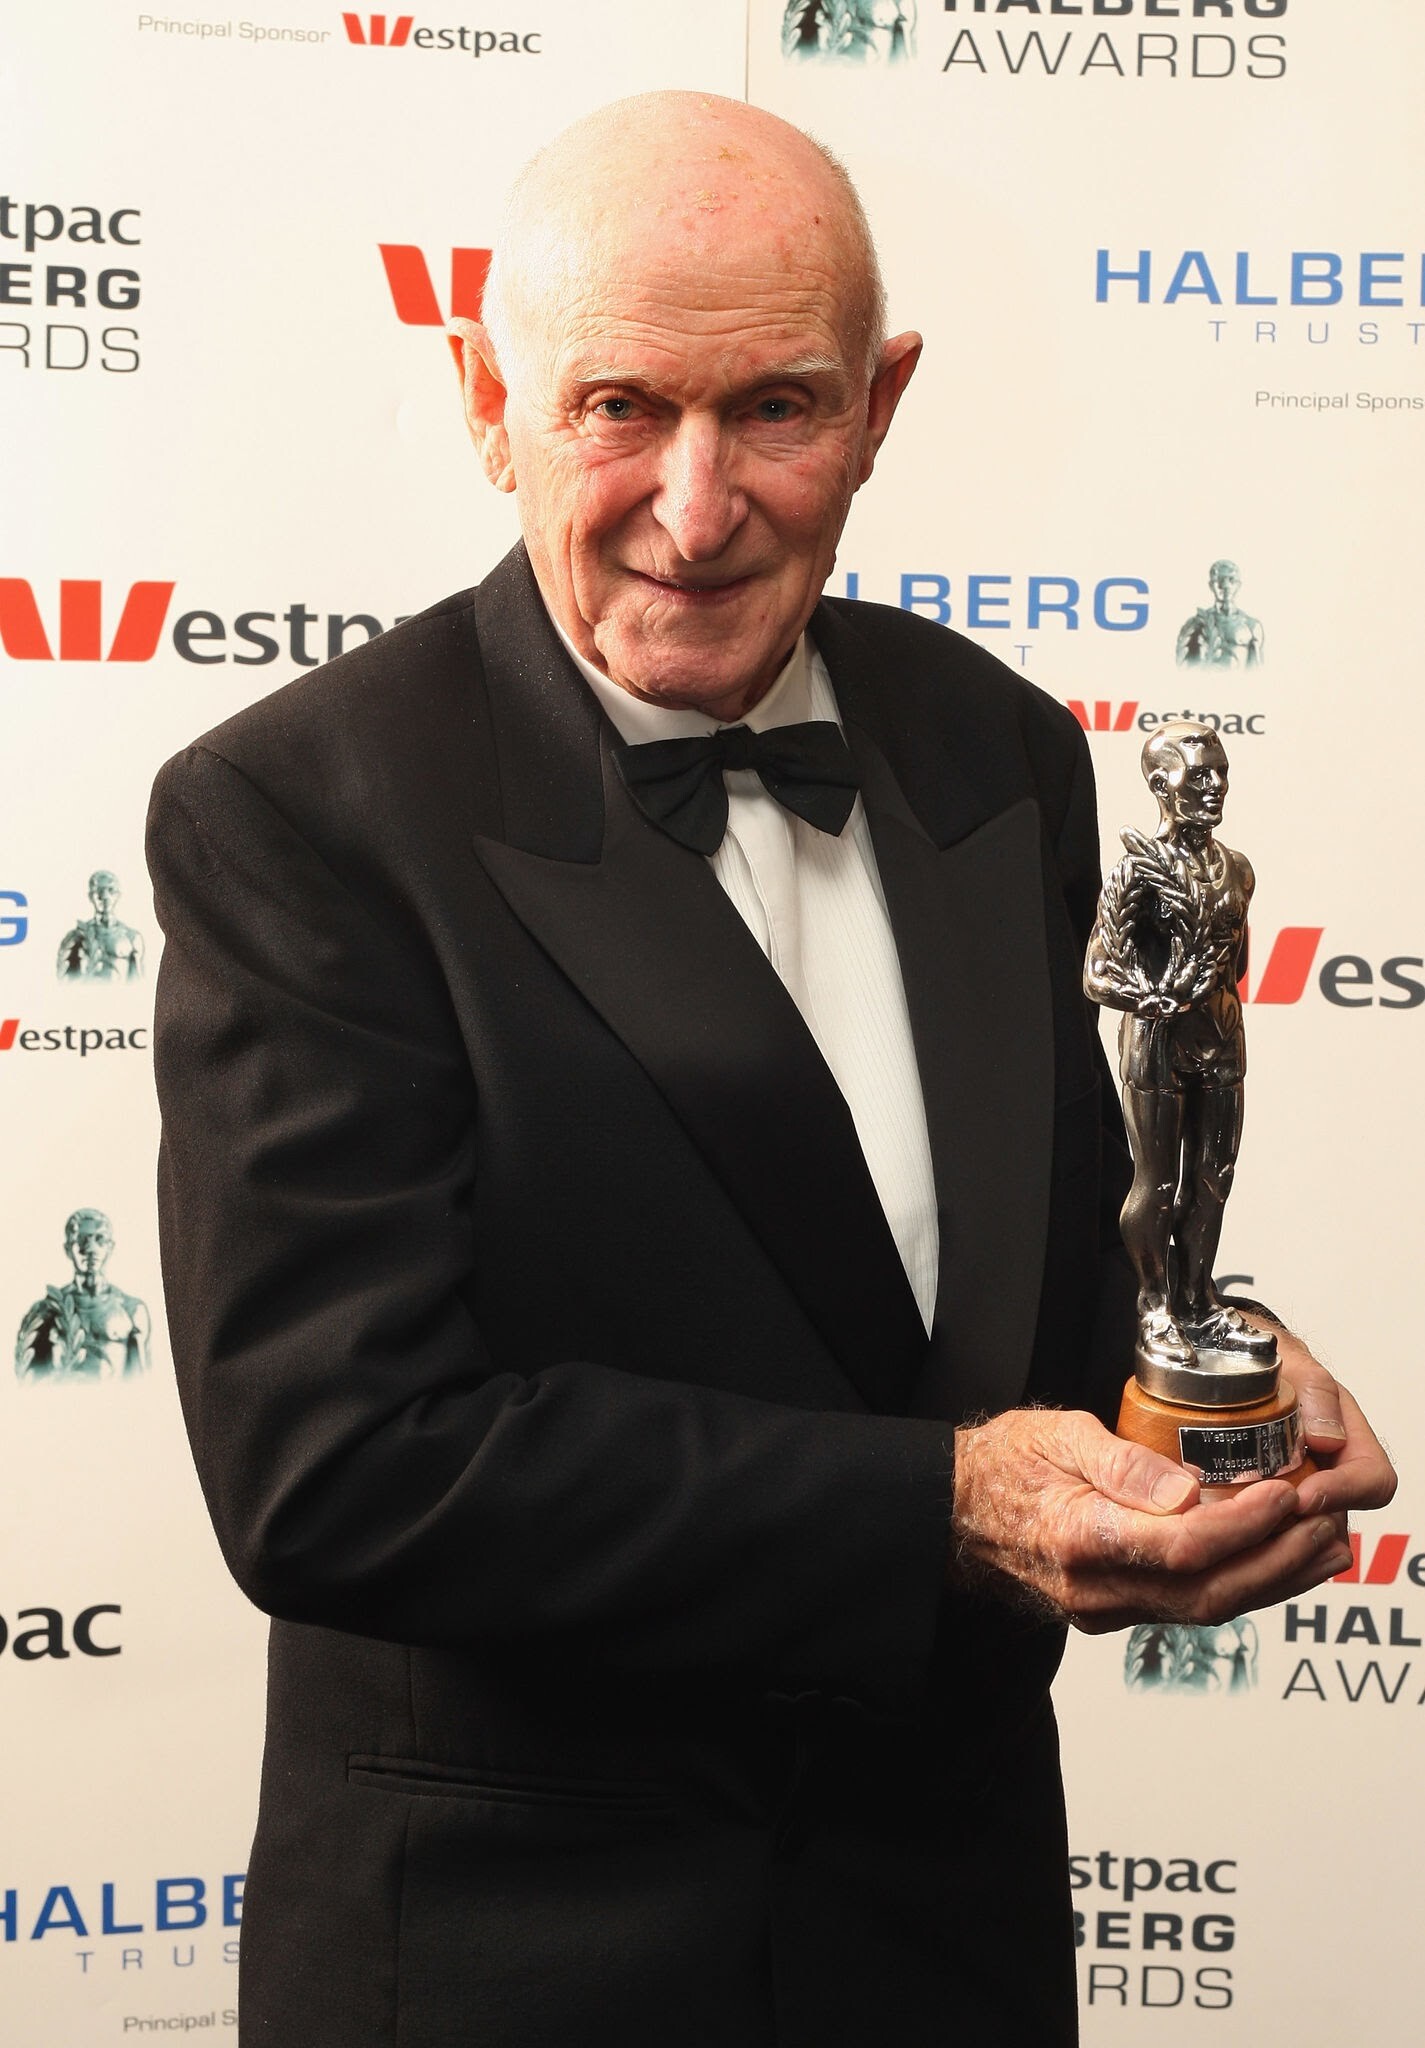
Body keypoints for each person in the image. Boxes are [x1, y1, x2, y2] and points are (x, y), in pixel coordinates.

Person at [146, 93, 1392, 2048]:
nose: (699, 501)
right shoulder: (303, 812)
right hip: (514, 1971)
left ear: (879, 407)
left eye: (777, 408)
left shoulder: (997, 747)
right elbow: (335, 1468)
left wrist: (1197, 1367)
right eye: (619, 407)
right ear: (486, 399)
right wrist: (941, 1507)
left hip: (947, 1943)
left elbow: (1005, 1285)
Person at [1084, 721, 1271, 1370]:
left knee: (1212, 1181)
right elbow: (1098, 971)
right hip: (1156, 1044)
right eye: (1199, 776)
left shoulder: (1238, 870)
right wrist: (1156, 994)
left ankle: (1198, 1302)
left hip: (1221, 1040)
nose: (1215, 787)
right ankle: (1154, 1306)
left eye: (1221, 773)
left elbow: (1237, 965)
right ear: (1161, 785)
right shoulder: (1136, 869)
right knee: (1157, 1184)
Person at [15, 1207, 151, 1380]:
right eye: (81, 1239)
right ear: (67, 1249)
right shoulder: (46, 1311)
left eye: (99, 1239)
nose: (91, 1248)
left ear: (110, 1247)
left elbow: (142, 1382)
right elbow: (29, 1381)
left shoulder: (132, 1310)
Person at [56, 868, 146, 981]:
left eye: (111, 890)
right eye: (99, 890)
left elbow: (139, 983)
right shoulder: (75, 937)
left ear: (118, 895)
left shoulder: (132, 937)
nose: (105, 896)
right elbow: (63, 981)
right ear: (90, 896)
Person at [1175, 558, 1265, 668]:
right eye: (1220, 580)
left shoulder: (1252, 626)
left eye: (1231, 580)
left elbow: (1258, 671)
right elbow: (1184, 667)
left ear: (1238, 585)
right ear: (1211, 585)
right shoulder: (1195, 625)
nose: (1226, 586)